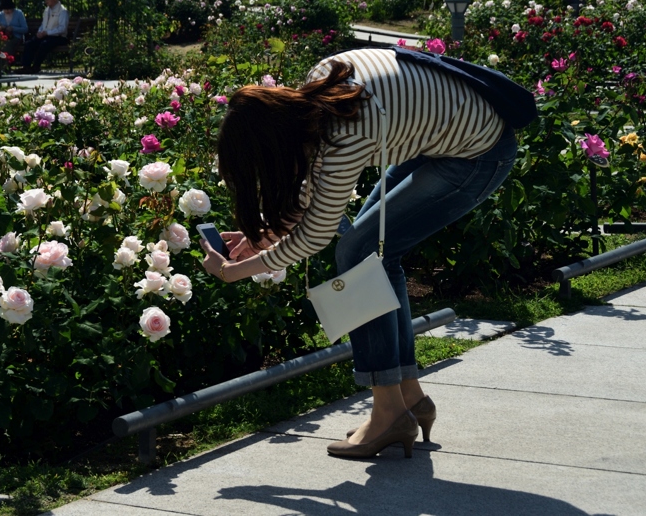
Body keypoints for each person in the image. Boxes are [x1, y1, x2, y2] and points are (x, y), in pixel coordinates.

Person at [201, 47, 527, 459]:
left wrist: (238, 271)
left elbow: (319, 231)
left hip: (478, 154)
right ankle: (409, 397)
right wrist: (268, 231)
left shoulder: (346, 132)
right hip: (445, 140)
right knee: (373, 251)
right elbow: (315, 189)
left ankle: (389, 412)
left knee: (357, 254)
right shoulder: (321, 84)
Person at [20, 0, 69, 73]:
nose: (46, 0)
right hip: (46, 35)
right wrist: (40, 32)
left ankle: (36, 67)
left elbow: (62, 28)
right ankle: (26, 67)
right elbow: (43, 24)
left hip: (59, 37)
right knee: (30, 43)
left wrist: (47, 33)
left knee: (44, 44)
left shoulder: (62, 11)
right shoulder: (47, 10)